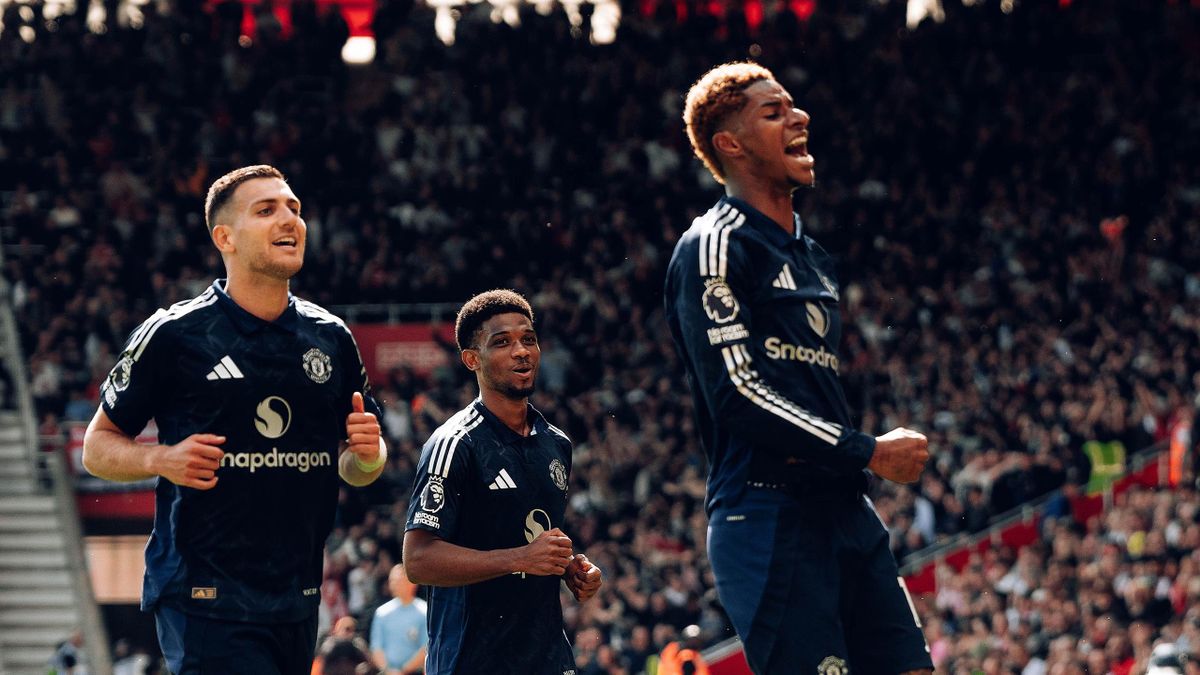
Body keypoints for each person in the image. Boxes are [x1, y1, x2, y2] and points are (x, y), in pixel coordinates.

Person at [664, 62, 933, 675]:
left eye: (793, 105)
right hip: (766, 516)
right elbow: (738, 394)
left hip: (845, 508)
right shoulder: (715, 244)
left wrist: (857, 462)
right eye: (773, 111)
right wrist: (867, 450)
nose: (799, 116)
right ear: (729, 144)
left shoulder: (812, 256)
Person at [82, 165, 387, 675]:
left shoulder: (331, 338)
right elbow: (97, 448)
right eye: (266, 210)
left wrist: (365, 454)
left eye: (293, 208)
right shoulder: (175, 334)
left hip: (296, 596)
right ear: (224, 237)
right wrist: (163, 459)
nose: (289, 218)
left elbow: (359, 469)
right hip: (204, 596)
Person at [402, 289, 603, 674]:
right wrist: (521, 559)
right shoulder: (455, 444)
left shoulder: (556, 443)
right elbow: (418, 560)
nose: (521, 351)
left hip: (547, 658)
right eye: (503, 342)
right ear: (471, 359)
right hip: (473, 661)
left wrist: (571, 570)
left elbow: (534, 536)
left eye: (528, 339)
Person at [370, 563, 428, 674]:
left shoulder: (424, 611)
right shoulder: (382, 612)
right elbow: (376, 647)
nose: (395, 584)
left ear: (412, 583)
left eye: (399, 580)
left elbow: (426, 647)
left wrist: (404, 670)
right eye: (392, 581)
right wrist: (388, 670)